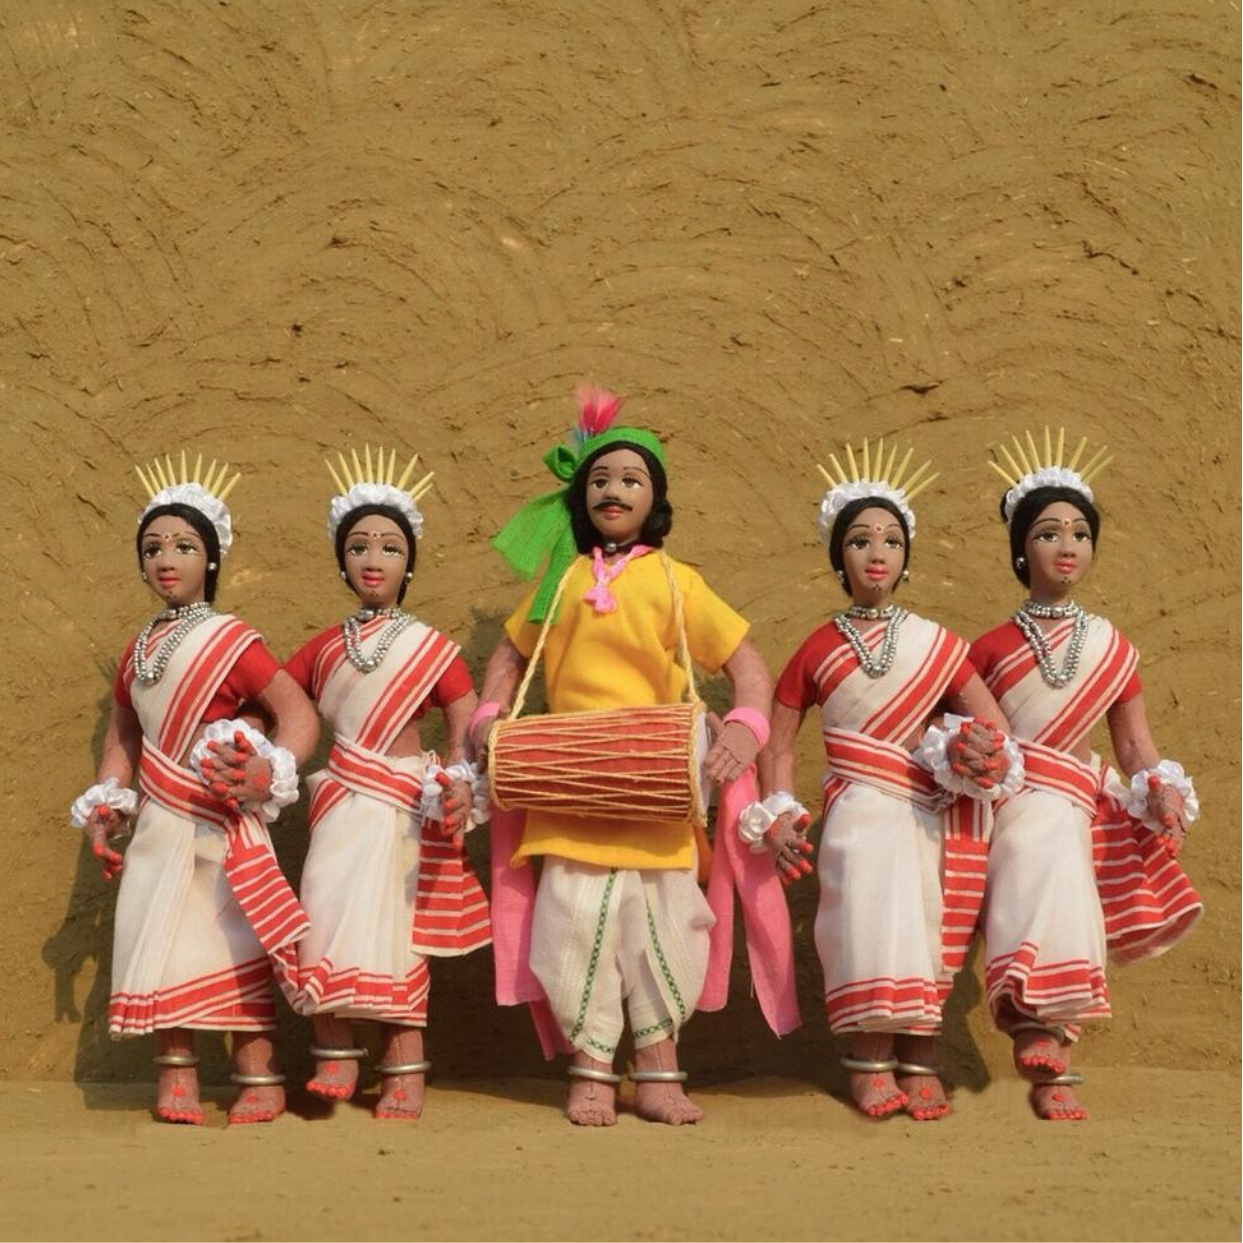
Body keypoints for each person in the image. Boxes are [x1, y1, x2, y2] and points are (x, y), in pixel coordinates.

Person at [472, 384, 781, 1128]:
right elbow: (511, 656)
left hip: (657, 790)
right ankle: (590, 1070)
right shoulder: (563, 578)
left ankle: (659, 1070)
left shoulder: (677, 581)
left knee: (663, 925)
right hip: (570, 786)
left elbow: (748, 666)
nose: (614, 490)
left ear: (655, 499)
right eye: (601, 479)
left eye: (631, 479)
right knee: (574, 924)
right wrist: (488, 714)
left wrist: (745, 725)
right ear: (582, 495)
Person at [752, 440, 1020, 1121]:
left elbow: (992, 725)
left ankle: (919, 1060)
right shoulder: (817, 647)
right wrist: (778, 811)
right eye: (860, 540)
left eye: (892, 541)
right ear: (838, 556)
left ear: (907, 557)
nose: (877, 553)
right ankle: (869, 1063)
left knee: (924, 925)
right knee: (865, 923)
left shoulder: (939, 644)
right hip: (855, 814)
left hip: (923, 812)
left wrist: (976, 753)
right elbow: (778, 741)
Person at [70, 453, 319, 1125]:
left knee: (233, 942)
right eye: (153, 547)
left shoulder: (231, 641)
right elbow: (125, 735)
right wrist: (107, 800)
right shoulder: (137, 651)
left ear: (211, 557)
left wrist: (269, 769)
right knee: (165, 941)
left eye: (183, 545)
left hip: (217, 819)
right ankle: (176, 1073)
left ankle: (259, 1075)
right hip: (158, 822)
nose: (166, 559)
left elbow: (298, 714)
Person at [972, 430, 1203, 1120]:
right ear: (1021, 550)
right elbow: (962, 736)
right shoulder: (987, 649)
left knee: (1065, 848)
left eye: (1079, 532)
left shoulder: (1112, 648)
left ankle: (1049, 1041)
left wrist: (1159, 787)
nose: (1066, 544)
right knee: (1039, 834)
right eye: (1047, 532)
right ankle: (1034, 1025)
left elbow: (1133, 744)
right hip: (1010, 801)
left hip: (1076, 799)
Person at [284, 446, 490, 1120]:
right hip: (341, 803)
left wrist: (458, 778)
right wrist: (246, 746)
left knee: (398, 932)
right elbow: (277, 702)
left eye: (390, 547)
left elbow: (464, 717)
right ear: (341, 560)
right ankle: (335, 1052)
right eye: (359, 546)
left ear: (410, 562)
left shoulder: (431, 648)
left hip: (404, 804)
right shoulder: (322, 648)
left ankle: (404, 1067)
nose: (374, 559)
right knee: (321, 913)